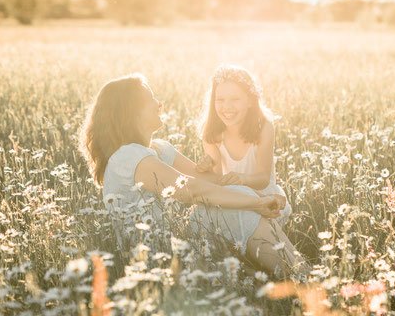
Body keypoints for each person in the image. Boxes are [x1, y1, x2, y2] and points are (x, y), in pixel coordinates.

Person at [79, 73, 306, 278]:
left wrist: (259, 194)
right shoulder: (127, 156)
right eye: (151, 98)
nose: (160, 103)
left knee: (240, 196)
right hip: (156, 251)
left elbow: (212, 182)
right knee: (240, 208)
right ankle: (302, 278)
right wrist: (256, 202)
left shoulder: (160, 149)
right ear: (131, 110)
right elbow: (192, 191)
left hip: (184, 234)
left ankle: (288, 273)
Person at [196, 64, 292, 224]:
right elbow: (218, 181)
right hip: (233, 196)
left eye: (235, 99)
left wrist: (242, 179)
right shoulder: (212, 134)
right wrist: (206, 168)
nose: (227, 106)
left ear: (250, 101)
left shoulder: (264, 128)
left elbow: (263, 179)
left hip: (265, 197)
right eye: (220, 100)